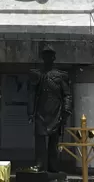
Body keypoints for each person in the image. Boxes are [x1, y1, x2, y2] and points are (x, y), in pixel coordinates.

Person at [28, 45, 72, 173]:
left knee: (54, 142)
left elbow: (67, 94)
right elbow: (31, 94)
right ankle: (40, 164)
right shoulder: (37, 75)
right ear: (42, 58)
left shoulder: (61, 76)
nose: (48, 58)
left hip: (56, 112)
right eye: (45, 55)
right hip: (40, 113)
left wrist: (66, 110)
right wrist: (30, 112)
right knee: (40, 141)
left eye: (50, 55)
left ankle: (53, 166)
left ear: (54, 57)